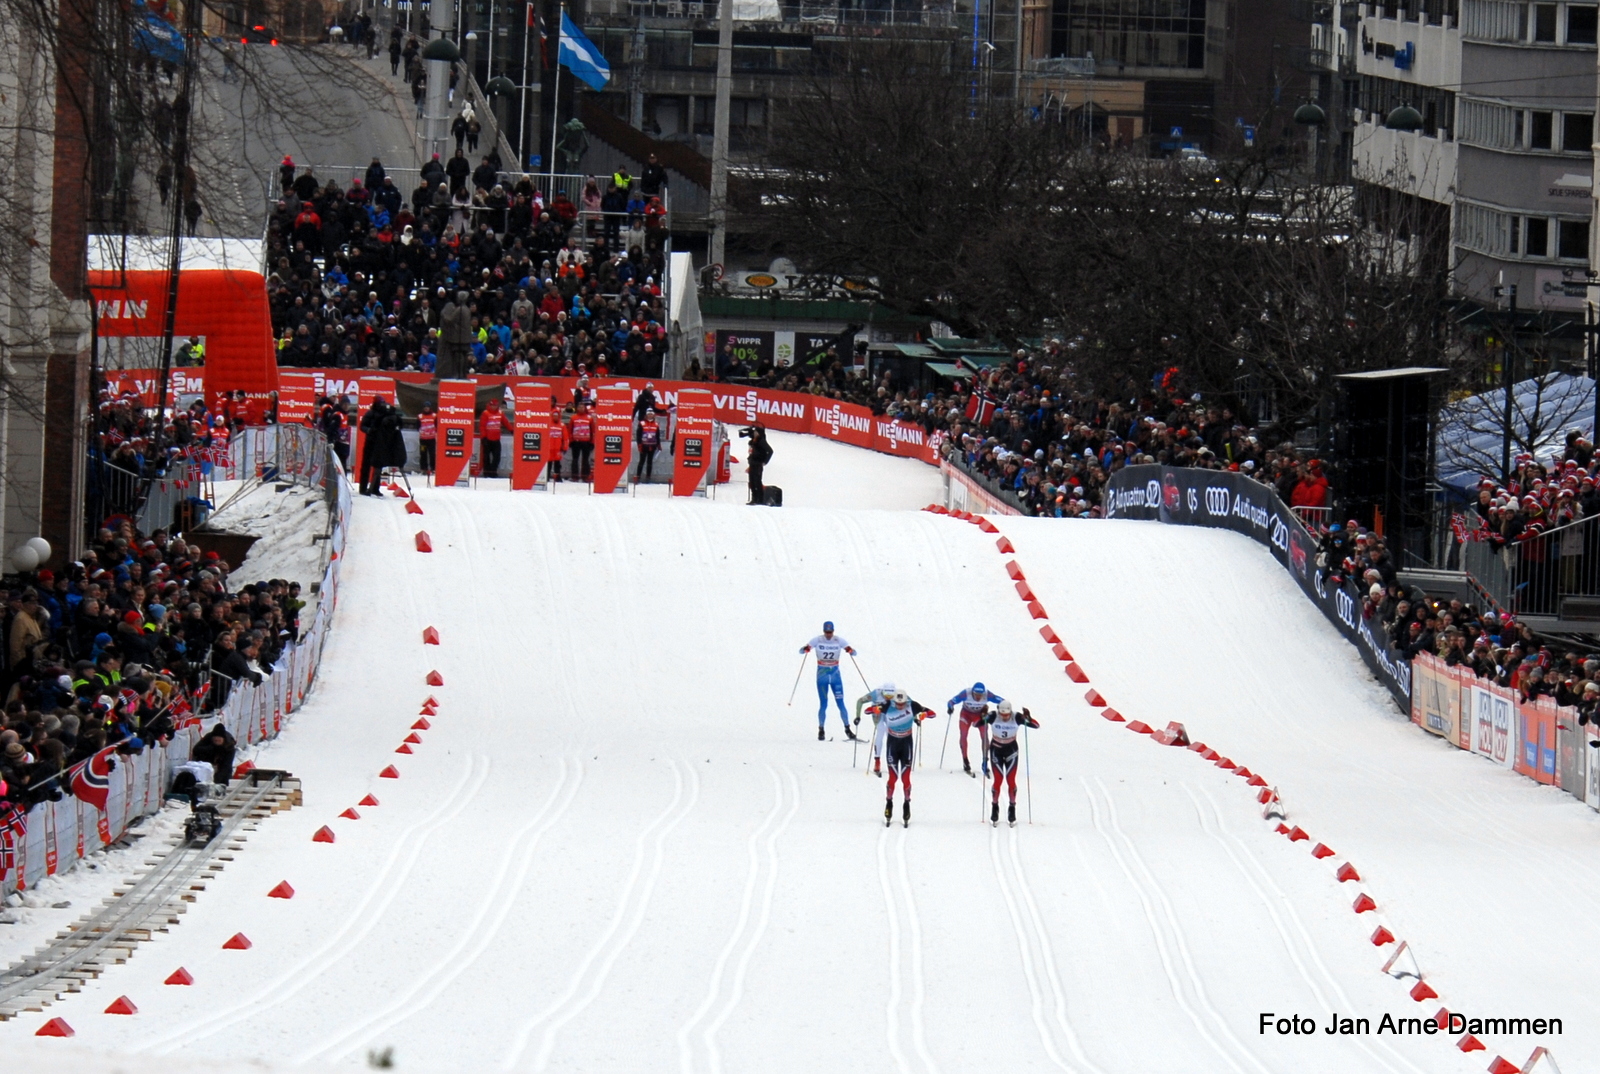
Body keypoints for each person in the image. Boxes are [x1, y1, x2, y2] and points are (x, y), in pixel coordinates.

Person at [872, 689, 933, 827]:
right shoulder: (888, 705)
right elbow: (869, 710)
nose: (900, 706)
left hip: (906, 744)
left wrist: (923, 715)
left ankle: (906, 804)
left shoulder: (912, 705)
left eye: (902, 704)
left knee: (905, 778)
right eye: (898, 704)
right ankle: (889, 803)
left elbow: (932, 713)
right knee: (893, 778)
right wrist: (876, 709)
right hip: (893, 744)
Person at [983, 700, 1039, 827]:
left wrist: (1028, 718)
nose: (1004, 717)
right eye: (1002, 715)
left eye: (1007, 715)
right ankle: (994, 806)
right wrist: (983, 716)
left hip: (1011, 750)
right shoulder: (993, 715)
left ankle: (1012, 807)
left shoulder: (1016, 716)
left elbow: (1036, 725)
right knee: (998, 779)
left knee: (1011, 780)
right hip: (996, 750)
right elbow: (977, 724)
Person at [799, 621, 856, 741]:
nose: (828, 634)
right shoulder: (817, 640)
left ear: (833, 631)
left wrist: (850, 650)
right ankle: (821, 729)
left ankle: (847, 729)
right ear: (823, 631)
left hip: (835, 677)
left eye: (830, 632)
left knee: (841, 704)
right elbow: (801, 651)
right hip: (822, 676)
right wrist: (805, 649)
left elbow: (853, 652)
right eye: (826, 632)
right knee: (823, 704)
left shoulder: (838, 640)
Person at [947, 682, 1003, 777]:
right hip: (966, 715)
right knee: (964, 735)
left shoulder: (987, 694)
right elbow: (951, 701)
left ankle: (985, 761)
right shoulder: (966, 693)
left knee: (984, 736)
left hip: (979, 716)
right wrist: (950, 707)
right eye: (976, 694)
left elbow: (1000, 700)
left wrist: (1001, 705)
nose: (978, 697)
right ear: (972, 692)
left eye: (980, 695)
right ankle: (965, 760)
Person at [358, 396, 405, 496]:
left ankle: (375, 488)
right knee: (366, 465)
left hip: (381, 442)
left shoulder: (385, 414)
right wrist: (369, 430)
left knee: (378, 465)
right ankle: (363, 488)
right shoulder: (370, 413)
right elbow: (362, 426)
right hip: (371, 441)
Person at [567, 399, 595, 481]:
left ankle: (585, 476)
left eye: (583, 407)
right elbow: (570, 430)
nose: (581, 408)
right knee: (575, 459)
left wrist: (592, 442)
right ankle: (574, 476)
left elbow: (593, 431)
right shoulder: (573, 418)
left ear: (585, 408)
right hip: (576, 441)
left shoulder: (589, 418)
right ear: (577, 408)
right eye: (579, 407)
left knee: (585, 460)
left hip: (586, 441)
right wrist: (571, 441)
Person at [478, 396, 506, 477]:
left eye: (495, 405)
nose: (494, 407)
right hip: (487, 438)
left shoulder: (500, 413)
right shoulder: (485, 413)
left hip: (496, 439)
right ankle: (486, 472)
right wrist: (483, 437)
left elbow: (505, 422)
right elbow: (482, 426)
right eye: (492, 405)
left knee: (497, 457)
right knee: (486, 457)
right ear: (489, 405)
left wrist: (512, 430)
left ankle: (493, 472)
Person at [746, 423, 773, 505]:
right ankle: (754, 498)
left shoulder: (761, 441)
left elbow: (770, 451)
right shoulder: (754, 441)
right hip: (752, 463)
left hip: (757, 464)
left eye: (756, 432)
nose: (754, 433)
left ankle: (759, 499)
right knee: (752, 481)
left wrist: (765, 462)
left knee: (757, 481)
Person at [635, 408, 662, 481]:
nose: (650, 416)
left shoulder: (656, 424)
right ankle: (638, 477)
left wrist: (659, 445)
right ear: (646, 415)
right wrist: (639, 444)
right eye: (648, 414)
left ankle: (648, 477)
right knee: (642, 461)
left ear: (653, 415)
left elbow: (657, 436)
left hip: (652, 445)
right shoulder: (642, 423)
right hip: (644, 445)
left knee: (649, 462)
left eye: (651, 414)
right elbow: (638, 435)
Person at [418, 403, 437, 474]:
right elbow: (418, 426)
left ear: (430, 408)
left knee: (432, 454)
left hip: (431, 439)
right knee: (423, 454)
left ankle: (433, 468)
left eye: (427, 407)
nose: (426, 408)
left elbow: (437, 425)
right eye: (425, 407)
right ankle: (423, 468)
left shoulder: (434, 416)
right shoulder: (420, 416)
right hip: (423, 439)